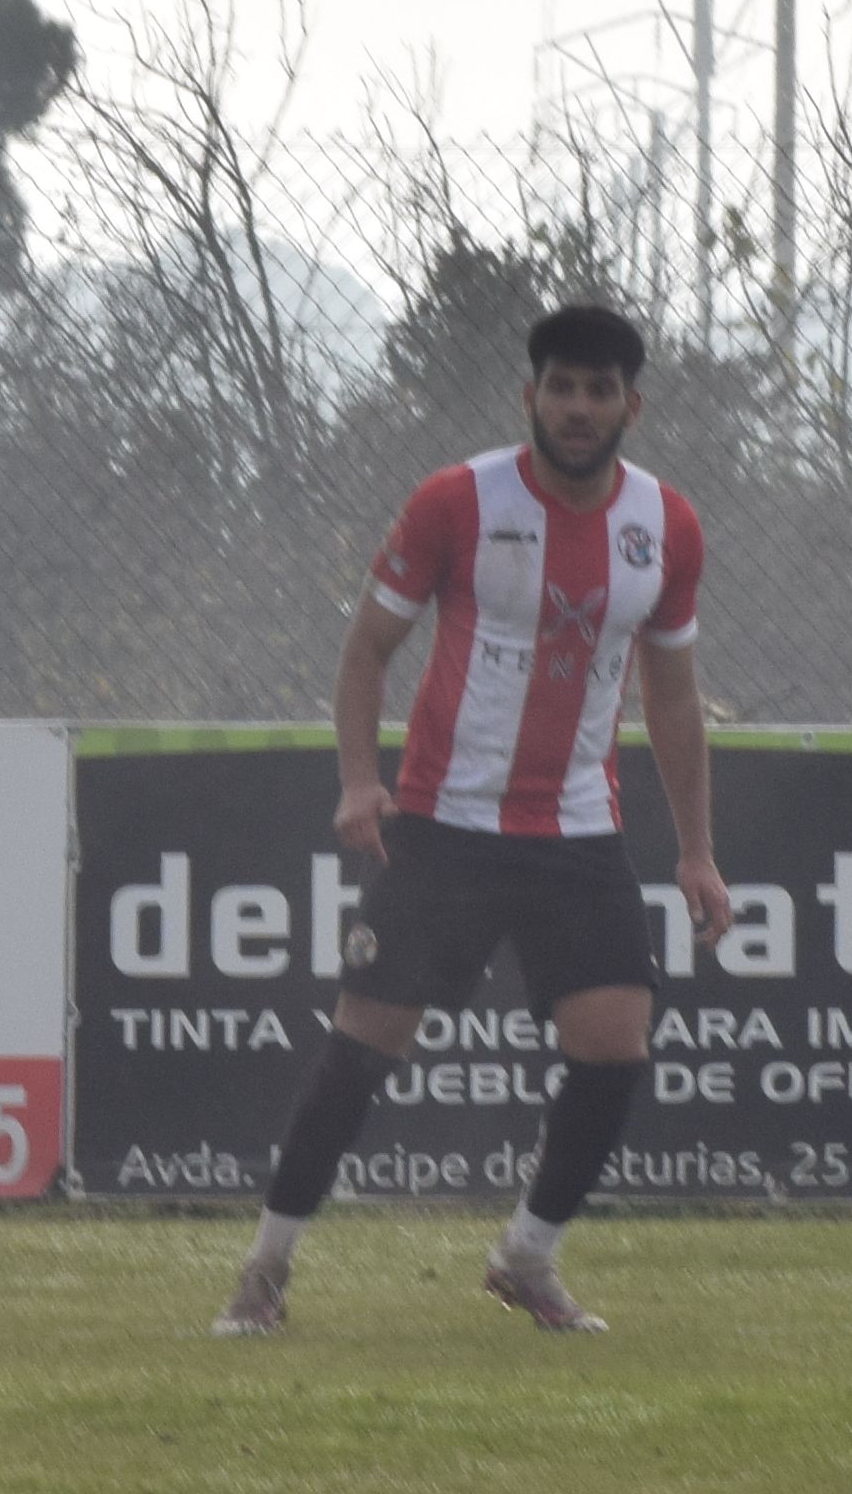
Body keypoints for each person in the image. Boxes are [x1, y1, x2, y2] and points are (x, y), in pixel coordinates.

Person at [217, 299, 729, 1341]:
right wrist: (362, 781)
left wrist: (696, 851)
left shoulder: (665, 526)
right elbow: (367, 650)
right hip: (445, 825)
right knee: (366, 1043)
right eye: (560, 387)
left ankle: (527, 1257)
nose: (577, 409)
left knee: (613, 1042)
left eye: (598, 391)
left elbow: (671, 694)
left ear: (630, 404)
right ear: (529, 396)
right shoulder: (457, 500)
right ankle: (266, 1268)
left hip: (578, 828)